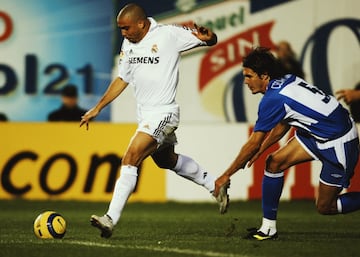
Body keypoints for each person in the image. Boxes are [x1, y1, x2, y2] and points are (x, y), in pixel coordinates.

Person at [80, 3, 229, 238]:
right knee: (166, 160)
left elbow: (207, 40)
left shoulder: (169, 35)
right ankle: (215, 185)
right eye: (120, 29)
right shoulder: (128, 44)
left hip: (164, 113)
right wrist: (98, 107)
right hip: (146, 116)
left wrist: (210, 38)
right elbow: (122, 79)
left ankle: (110, 219)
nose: (123, 33)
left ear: (141, 23)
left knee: (131, 157)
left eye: (126, 28)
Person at [214, 47, 360, 240]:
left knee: (326, 207)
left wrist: (226, 175)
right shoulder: (286, 80)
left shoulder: (272, 98)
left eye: (249, 76)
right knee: (274, 163)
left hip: (339, 141)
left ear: (264, 76)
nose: (245, 81)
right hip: (318, 133)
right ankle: (268, 229)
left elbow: (252, 144)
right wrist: (264, 148)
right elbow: (285, 122)